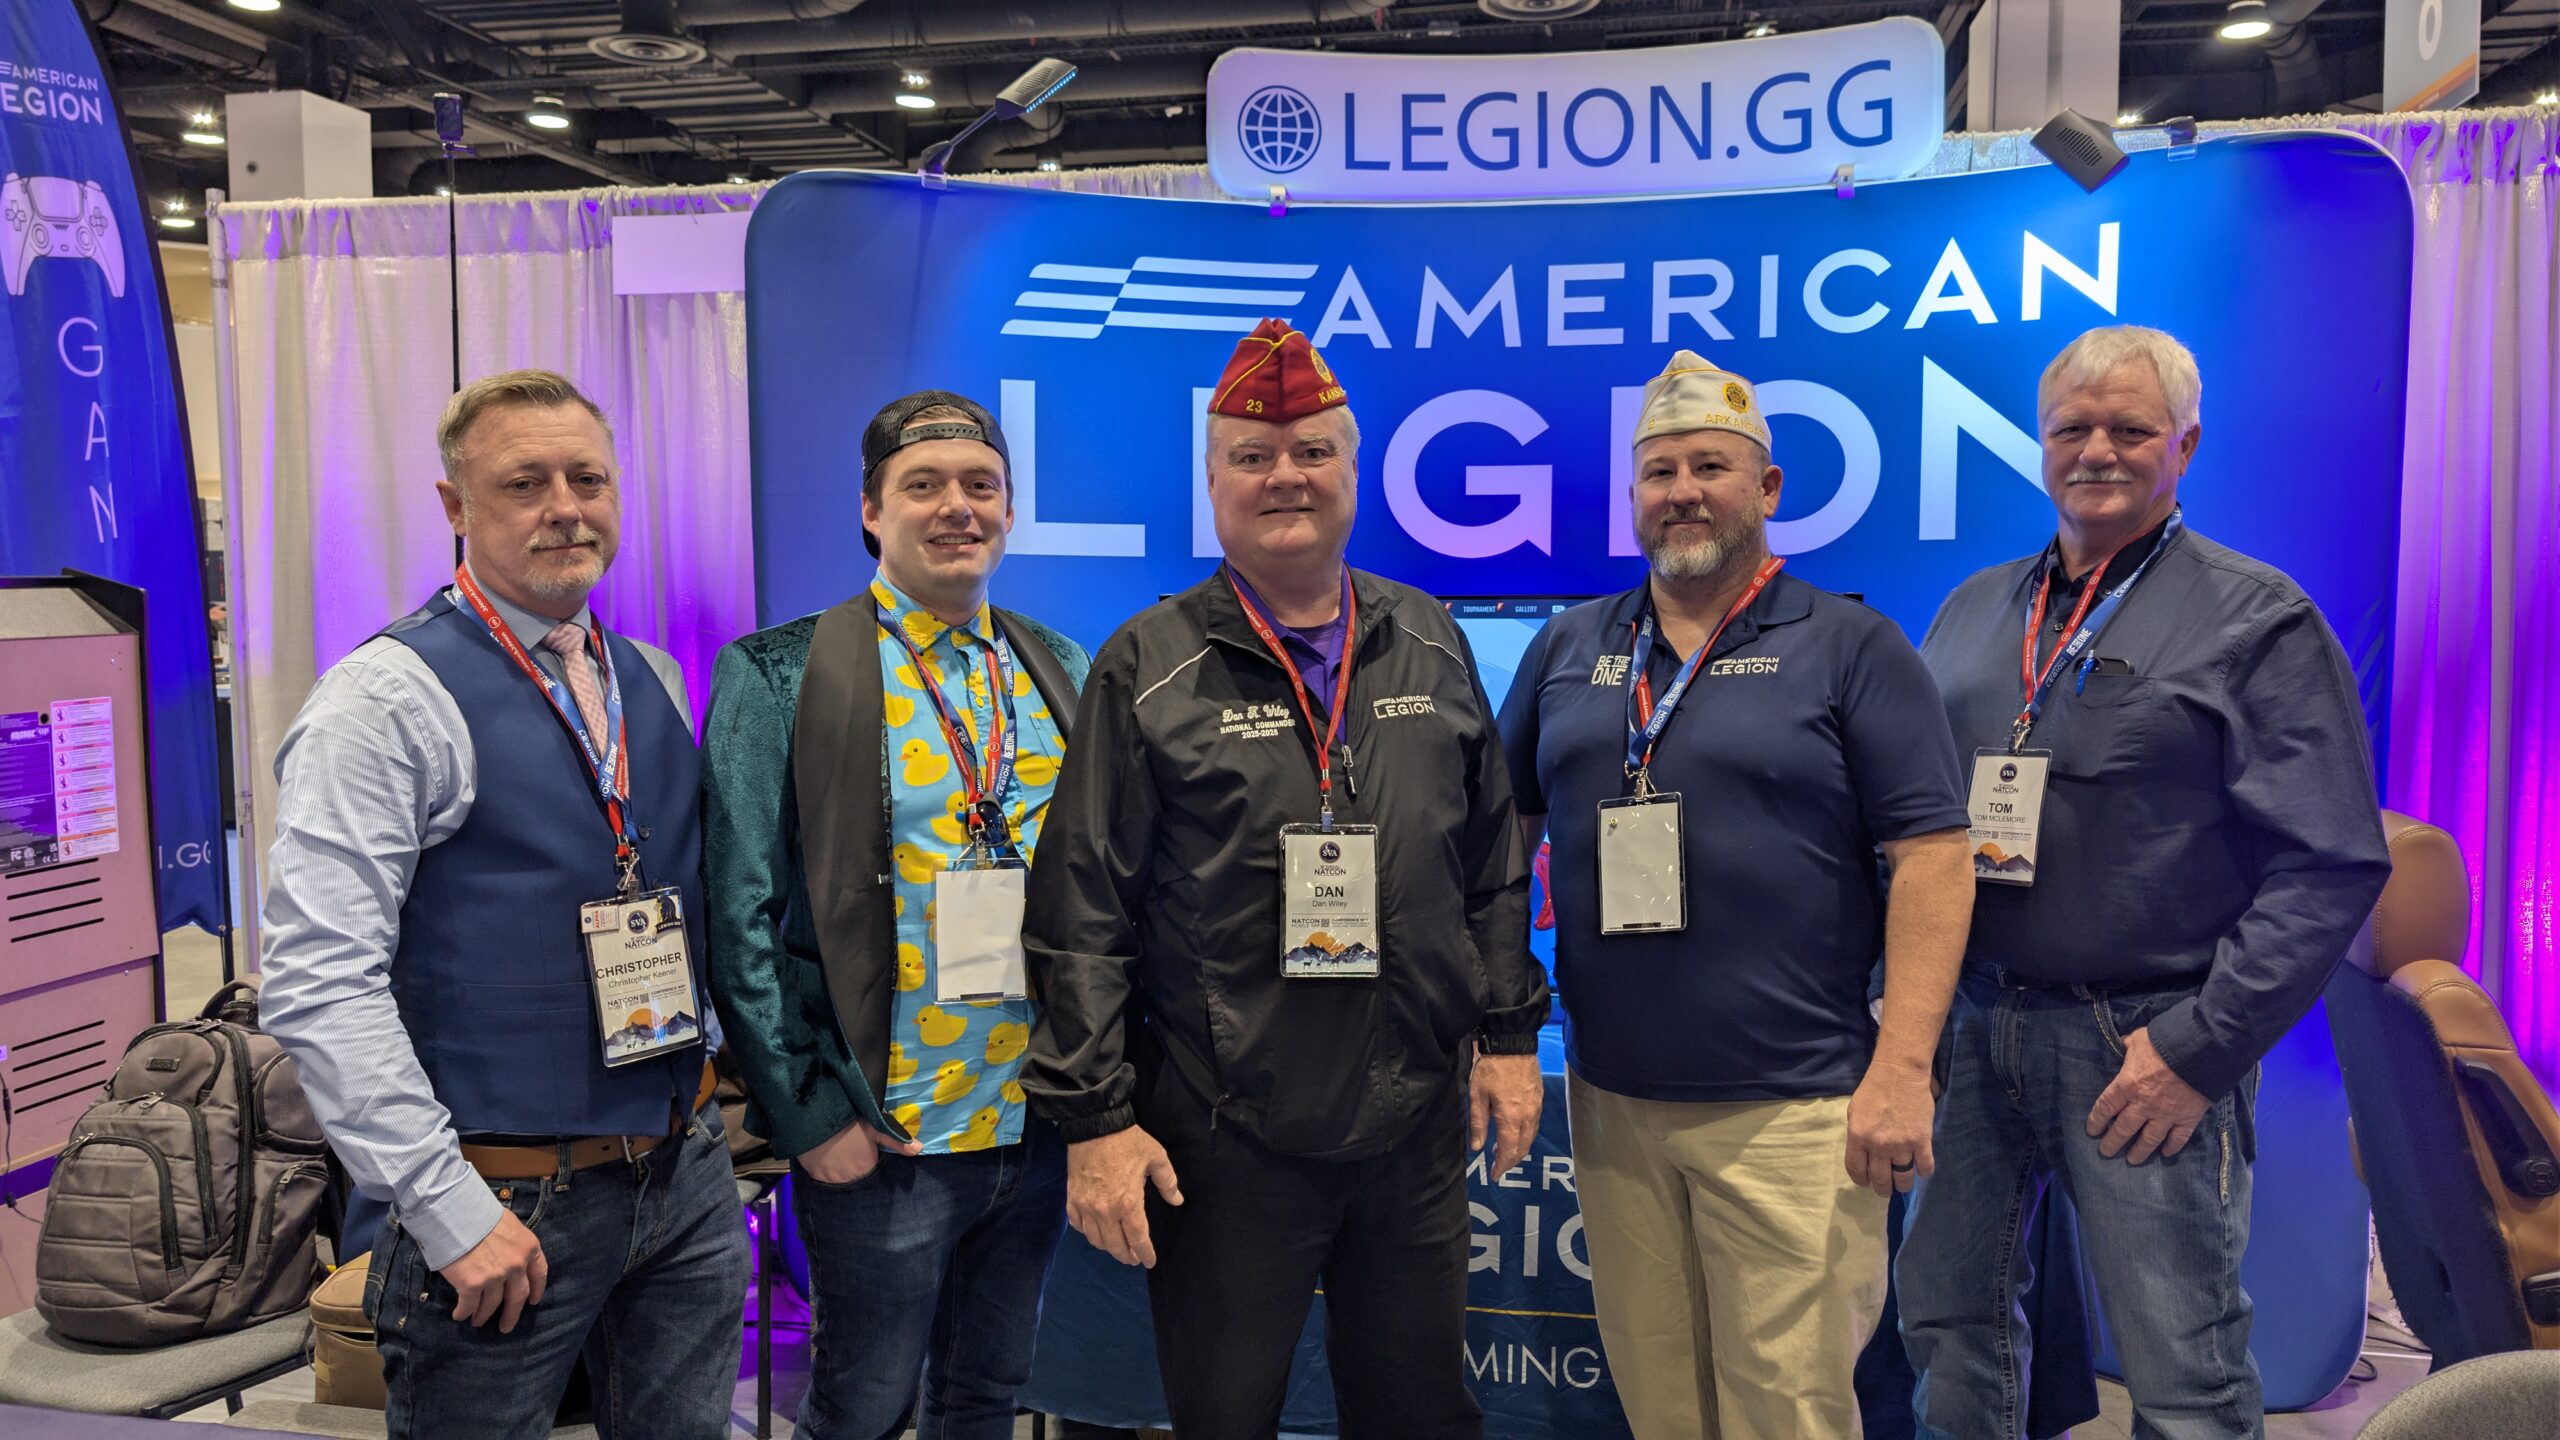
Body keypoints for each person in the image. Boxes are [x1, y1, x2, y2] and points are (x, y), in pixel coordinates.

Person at [1021, 319, 1550, 1440]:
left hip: (1412, 1121)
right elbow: (1080, 910)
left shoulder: (1427, 636)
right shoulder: (1147, 664)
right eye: (1253, 457)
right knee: (1226, 1417)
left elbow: (1492, 865)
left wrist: (1505, 1037)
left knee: (1418, 1414)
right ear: (1212, 483)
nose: (1284, 477)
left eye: (1312, 451)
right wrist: (1094, 1118)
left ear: (1355, 472)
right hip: (1223, 1129)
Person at [1898, 325, 2391, 1439]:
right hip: (1970, 1028)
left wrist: (2198, 1049)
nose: (2097, 452)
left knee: (2181, 1363)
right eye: (2072, 429)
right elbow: (1921, 823)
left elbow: (2331, 864)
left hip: (2143, 1042)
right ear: (2040, 442)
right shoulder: (1975, 609)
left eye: (2129, 429)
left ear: (2185, 444)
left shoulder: (2256, 617)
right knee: (1952, 1332)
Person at [259, 370, 747, 1440]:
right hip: (501, 1203)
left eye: (588, 478)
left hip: (680, 1182)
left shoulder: (650, 677)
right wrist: (442, 1207)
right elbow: (316, 980)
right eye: (524, 482)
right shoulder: (384, 703)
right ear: (454, 508)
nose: (565, 506)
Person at [1497, 350, 1973, 1440]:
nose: (1682, 492)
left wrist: (1901, 1068)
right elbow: (1497, 843)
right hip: (1613, 1102)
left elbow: (1935, 859)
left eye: (1710, 466)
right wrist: (1500, 1023)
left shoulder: (1849, 645)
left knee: (1783, 1412)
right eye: (1658, 472)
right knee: (1661, 1404)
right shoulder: (1572, 646)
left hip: (1794, 1110)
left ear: (1767, 488)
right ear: (1633, 497)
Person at [702, 390, 1087, 1440]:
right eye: (922, 486)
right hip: (885, 1138)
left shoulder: (1057, 663)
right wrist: (809, 1117)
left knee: (987, 1395)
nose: (955, 507)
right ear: (872, 510)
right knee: (864, 1410)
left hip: (1033, 1121)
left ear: (1009, 511)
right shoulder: (779, 672)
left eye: (980, 486)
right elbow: (736, 912)